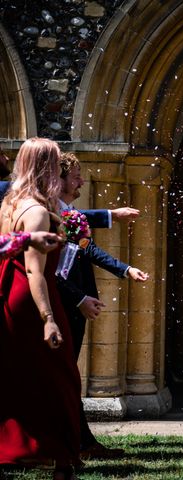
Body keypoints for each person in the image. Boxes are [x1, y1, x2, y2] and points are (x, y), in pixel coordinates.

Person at [55, 152, 148, 459]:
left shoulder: (69, 213)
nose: (82, 180)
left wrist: (125, 269)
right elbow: (53, 270)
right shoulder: (50, 214)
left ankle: (80, 442)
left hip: (76, 303)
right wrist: (78, 299)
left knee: (67, 374)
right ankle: (75, 444)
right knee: (63, 375)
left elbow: (87, 247)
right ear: (60, 179)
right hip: (63, 305)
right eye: (77, 175)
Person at [0, 138, 81, 479]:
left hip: (6, 296)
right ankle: (61, 460)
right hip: (32, 302)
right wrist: (49, 319)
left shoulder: (9, 204)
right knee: (61, 380)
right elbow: (35, 272)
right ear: (47, 168)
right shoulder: (35, 212)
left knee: (15, 380)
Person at [0, 146, 140, 228]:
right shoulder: (16, 194)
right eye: (54, 169)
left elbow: (63, 218)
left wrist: (111, 215)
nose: (7, 158)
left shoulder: (27, 199)